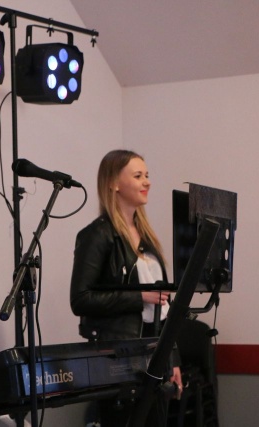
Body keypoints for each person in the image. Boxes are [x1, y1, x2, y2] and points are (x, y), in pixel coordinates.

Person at [70, 149, 183, 426]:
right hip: (119, 360)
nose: (147, 182)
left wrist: (173, 358)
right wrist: (139, 297)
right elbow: (81, 299)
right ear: (114, 183)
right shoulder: (97, 235)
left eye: (147, 175)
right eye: (138, 176)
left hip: (154, 357)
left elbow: (164, 308)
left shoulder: (147, 238)